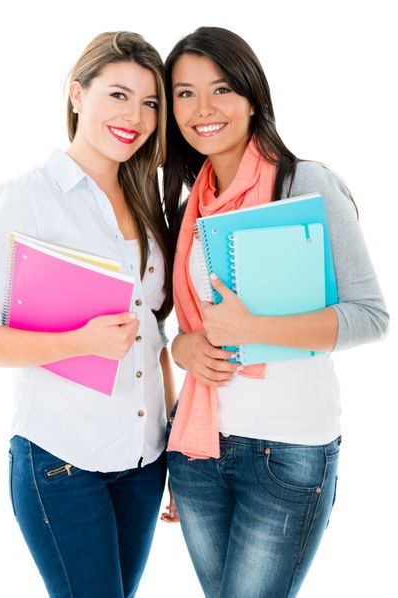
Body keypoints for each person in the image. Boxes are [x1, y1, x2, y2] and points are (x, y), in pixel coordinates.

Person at [162, 26, 389, 598]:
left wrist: (255, 329)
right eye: (184, 93)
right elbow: (188, 329)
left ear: (252, 96)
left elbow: (370, 315)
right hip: (199, 452)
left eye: (220, 89)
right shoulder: (192, 206)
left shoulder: (302, 182)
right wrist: (181, 348)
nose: (203, 109)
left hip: (286, 451)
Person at [0, 31, 176, 598]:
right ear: (77, 95)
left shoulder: (149, 203)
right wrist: (78, 341)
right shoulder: (23, 199)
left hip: (144, 461)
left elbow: (154, 333)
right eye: (118, 95)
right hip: (61, 463)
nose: (135, 116)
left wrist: (176, 445)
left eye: (150, 102)